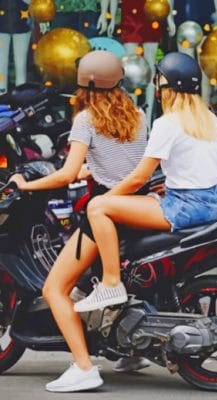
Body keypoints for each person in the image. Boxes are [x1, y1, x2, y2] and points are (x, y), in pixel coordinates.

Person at [9, 50, 148, 392]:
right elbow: (126, 164)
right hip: (137, 208)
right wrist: (94, 169)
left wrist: (27, 184)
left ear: (85, 86)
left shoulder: (86, 120)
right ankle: (132, 351)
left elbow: (65, 174)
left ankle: (84, 367)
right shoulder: (139, 115)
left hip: (104, 213)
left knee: (54, 288)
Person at [73, 52, 217, 319]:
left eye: (159, 82)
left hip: (182, 208)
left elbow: (138, 179)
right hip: (211, 206)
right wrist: (176, 183)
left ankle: (111, 283)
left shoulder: (167, 123)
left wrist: (108, 198)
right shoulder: (211, 120)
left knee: (98, 208)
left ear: (168, 88)